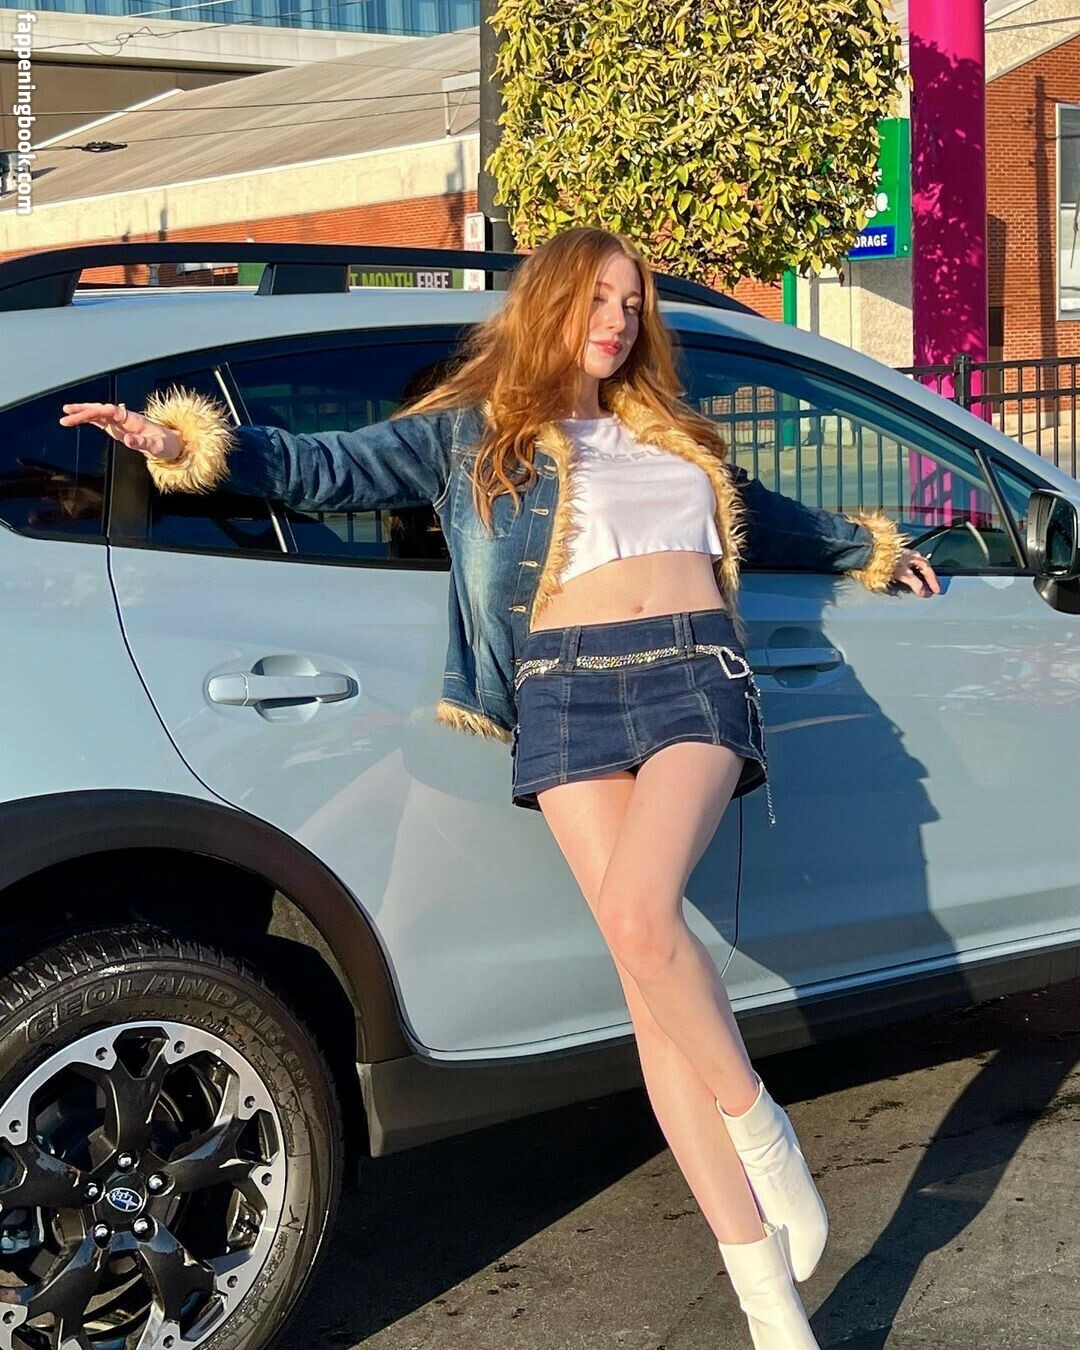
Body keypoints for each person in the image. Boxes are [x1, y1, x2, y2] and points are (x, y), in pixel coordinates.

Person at [60, 225, 940, 1349]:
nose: (616, 320)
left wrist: (874, 550)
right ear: (549, 305)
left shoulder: (673, 432)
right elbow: (324, 468)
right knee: (648, 985)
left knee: (641, 918)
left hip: (691, 676)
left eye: (631, 303)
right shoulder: (473, 432)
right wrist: (173, 441)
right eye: (596, 299)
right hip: (564, 693)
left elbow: (770, 519)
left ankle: (761, 1129)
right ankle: (769, 1301)